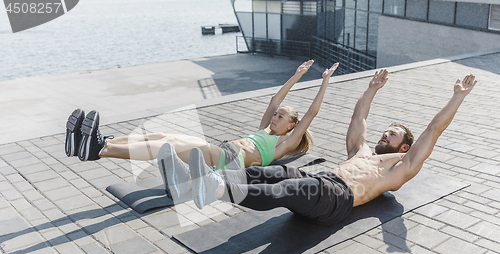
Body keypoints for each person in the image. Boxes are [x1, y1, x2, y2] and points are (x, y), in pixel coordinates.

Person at [182, 70, 476, 224]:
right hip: (323, 182)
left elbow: (433, 130)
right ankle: (204, 179)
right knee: (271, 173)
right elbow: (359, 116)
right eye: (387, 131)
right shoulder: (361, 151)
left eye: (394, 134)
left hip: (337, 200)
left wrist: (457, 98)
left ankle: (215, 190)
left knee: (290, 189)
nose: (386, 134)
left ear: (405, 146)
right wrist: (371, 89)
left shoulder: (401, 168)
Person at [65, 60, 339, 173]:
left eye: (281, 117)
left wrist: (324, 80)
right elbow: (274, 99)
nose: (275, 117)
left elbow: (312, 112)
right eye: (276, 115)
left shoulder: (285, 144)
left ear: (292, 126)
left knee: (166, 147)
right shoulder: (263, 130)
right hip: (220, 151)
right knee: (162, 135)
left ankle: (98, 150)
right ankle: (90, 143)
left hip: (229, 162)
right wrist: (297, 75)